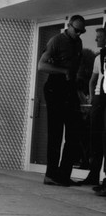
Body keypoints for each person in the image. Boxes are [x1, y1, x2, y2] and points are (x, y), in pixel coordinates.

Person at [38, 15, 86, 187]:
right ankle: (50, 174)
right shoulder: (56, 41)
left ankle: (64, 174)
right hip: (55, 87)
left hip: (70, 88)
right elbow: (42, 65)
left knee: (74, 131)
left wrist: (78, 85)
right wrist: (63, 71)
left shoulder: (78, 43)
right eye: (76, 30)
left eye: (82, 31)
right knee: (56, 133)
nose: (79, 34)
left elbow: (77, 67)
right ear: (69, 26)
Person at [82, 28, 106, 187]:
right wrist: (92, 98)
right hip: (99, 98)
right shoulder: (99, 58)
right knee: (95, 137)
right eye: (96, 38)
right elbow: (92, 80)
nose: (96, 40)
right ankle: (93, 174)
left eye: (99, 38)